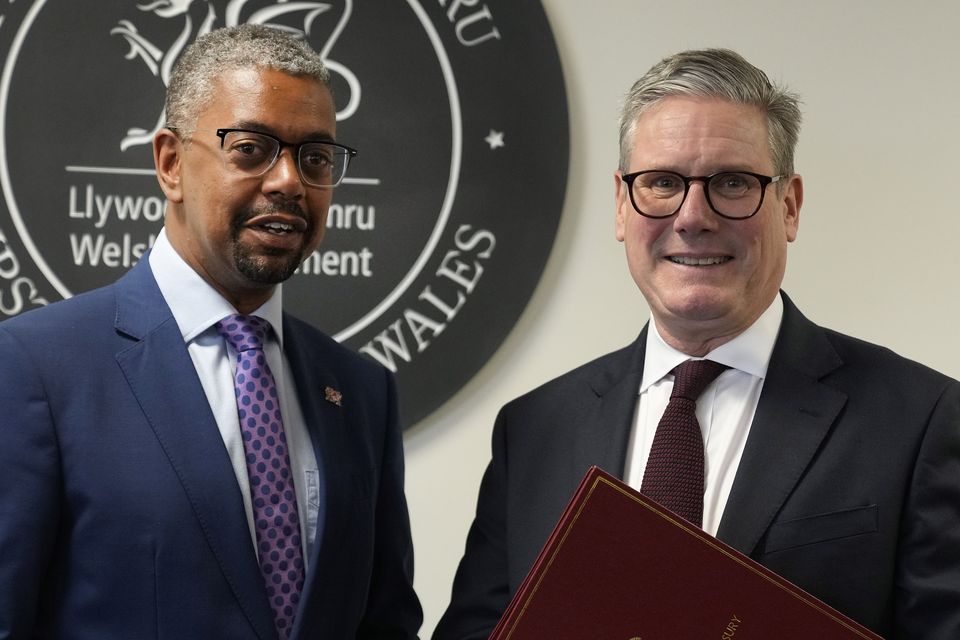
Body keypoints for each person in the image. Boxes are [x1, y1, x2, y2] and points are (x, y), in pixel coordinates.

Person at [433, 48, 960, 639]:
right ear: (620, 205)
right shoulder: (533, 430)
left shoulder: (921, 420)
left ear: (789, 206)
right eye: (662, 182)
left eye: (732, 183)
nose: (693, 216)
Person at [0, 24, 421, 639]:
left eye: (316, 157)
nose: (288, 182)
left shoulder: (360, 393)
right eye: (251, 148)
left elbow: (384, 625)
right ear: (170, 163)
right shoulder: (36, 367)